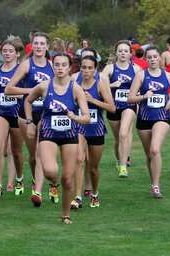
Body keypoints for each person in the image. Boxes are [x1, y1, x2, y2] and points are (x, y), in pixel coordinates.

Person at [25, 53, 89, 224]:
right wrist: (30, 121)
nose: (60, 68)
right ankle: (53, 183)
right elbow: (28, 101)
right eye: (57, 65)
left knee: (68, 179)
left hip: (69, 135)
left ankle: (65, 215)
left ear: (69, 68)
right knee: (50, 171)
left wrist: (74, 117)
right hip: (48, 133)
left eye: (63, 65)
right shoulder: (44, 86)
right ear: (53, 67)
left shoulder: (76, 89)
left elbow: (87, 117)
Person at [5, 32, 54, 206]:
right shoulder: (26, 65)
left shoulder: (52, 66)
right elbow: (9, 89)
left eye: (42, 43)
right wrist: (32, 92)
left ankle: (39, 190)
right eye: (36, 43)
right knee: (33, 155)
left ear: (47, 46)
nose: (39, 46)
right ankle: (38, 182)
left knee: (42, 153)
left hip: (46, 114)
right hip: (26, 114)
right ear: (31, 46)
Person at [128, 46, 170, 198]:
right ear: (146, 59)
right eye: (149, 57)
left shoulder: (168, 76)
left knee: (154, 149)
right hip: (144, 118)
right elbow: (130, 98)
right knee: (149, 154)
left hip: (162, 117)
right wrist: (144, 96)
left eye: (155, 57)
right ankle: (153, 183)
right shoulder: (141, 76)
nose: (152, 59)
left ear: (160, 58)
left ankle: (157, 186)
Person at [70, 55, 115, 209]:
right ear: (80, 68)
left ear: (95, 69)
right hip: (79, 127)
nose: (86, 71)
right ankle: (78, 196)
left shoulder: (100, 84)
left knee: (94, 168)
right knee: (79, 160)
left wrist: (92, 100)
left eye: (90, 68)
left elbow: (112, 108)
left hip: (96, 129)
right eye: (84, 67)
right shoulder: (74, 83)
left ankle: (94, 193)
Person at [0, 38, 24, 198]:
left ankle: (18, 179)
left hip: (18, 113)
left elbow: (33, 91)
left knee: (15, 151)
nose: (7, 53)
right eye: (5, 51)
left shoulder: (22, 70)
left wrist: (21, 95)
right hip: (1, 112)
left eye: (10, 51)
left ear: (17, 54)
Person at [101, 40, 141, 178]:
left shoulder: (136, 69)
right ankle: (120, 159)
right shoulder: (109, 69)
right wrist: (112, 85)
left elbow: (142, 86)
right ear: (116, 53)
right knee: (118, 138)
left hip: (129, 105)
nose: (123, 53)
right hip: (113, 107)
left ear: (130, 54)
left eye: (126, 51)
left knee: (124, 133)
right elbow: (99, 87)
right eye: (120, 51)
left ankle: (123, 166)